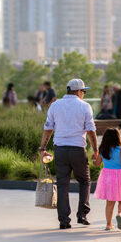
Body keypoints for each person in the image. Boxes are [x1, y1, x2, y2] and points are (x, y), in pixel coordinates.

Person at [38, 79, 98, 230]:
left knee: (63, 184)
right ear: (78, 91)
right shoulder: (85, 106)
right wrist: (96, 150)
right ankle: (82, 214)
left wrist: (43, 149)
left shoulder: (55, 105)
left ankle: (64, 220)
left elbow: (48, 128)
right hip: (78, 149)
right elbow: (91, 130)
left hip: (61, 150)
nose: (83, 94)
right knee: (84, 181)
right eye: (83, 91)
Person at [92, 128, 121, 231]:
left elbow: (97, 164)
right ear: (118, 137)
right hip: (120, 176)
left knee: (110, 201)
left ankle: (108, 224)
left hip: (107, 175)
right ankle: (120, 214)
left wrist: (93, 159)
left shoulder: (102, 150)